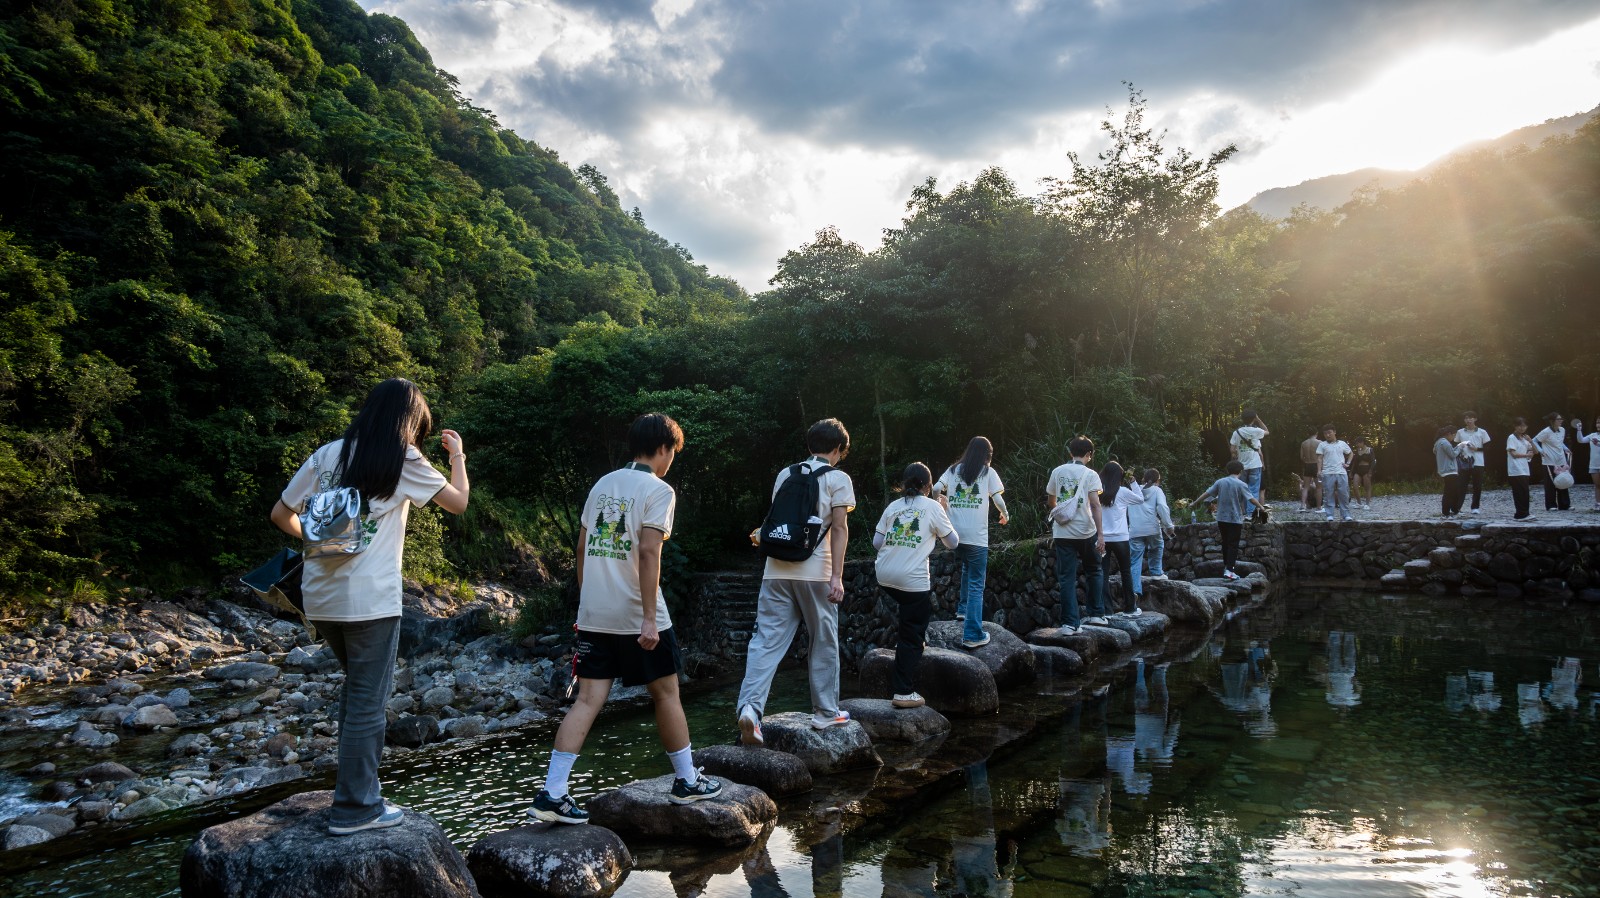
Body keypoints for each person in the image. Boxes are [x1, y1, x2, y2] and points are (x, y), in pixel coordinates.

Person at [271, 378, 470, 835]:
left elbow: (281, 514)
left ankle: (356, 793)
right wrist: (457, 456)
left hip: (319, 598)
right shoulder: (403, 457)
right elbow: (457, 503)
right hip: (370, 601)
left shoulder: (329, 454)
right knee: (367, 703)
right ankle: (357, 809)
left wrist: (322, 537)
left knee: (357, 694)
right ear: (410, 421)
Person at [531, 413, 721, 824]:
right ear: (665, 449)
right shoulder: (659, 490)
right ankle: (687, 781)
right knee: (666, 694)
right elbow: (650, 552)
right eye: (674, 453)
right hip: (638, 615)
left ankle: (553, 792)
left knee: (586, 700)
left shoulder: (603, 484)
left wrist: (588, 603)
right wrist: (649, 619)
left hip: (595, 613)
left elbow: (582, 549)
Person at [737, 419, 857, 746]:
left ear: (809, 445)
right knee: (823, 639)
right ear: (837, 449)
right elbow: (840, 529)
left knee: (765, 642)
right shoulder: (838, 478)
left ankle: (750, 708)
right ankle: (826, 712)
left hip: (776, 570)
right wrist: (836, 577)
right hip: (816, 573)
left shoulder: (785, 474)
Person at [872, 462, 960, 709]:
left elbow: (877, 542)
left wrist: (900, 542)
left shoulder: (893, 507)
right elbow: (953, 542)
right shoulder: (933, 507)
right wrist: (944, 511)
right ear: (927, 486)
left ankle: (911, 639)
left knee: (909, 616)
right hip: (912, 579)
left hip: (885, 575)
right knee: (912, 630)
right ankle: (903, 692)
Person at [934, 437, 1009, 649]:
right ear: (988, 455)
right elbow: (998, 499)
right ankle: (972, 634)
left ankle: (962, 610)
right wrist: (1005, 514)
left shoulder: (953, 470)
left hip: (955, 537)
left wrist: (942, 504)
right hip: (976, 538)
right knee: (977, 582)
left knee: (967, 567)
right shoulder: (988, 473)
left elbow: (935, 489)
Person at [1046, 436, 1104, 633]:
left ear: (1070, 453)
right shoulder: (1091, 474)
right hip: (1086, 530)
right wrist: (1101, 535)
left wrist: (1064, 513)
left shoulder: (1057, 471)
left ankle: (1070, 624)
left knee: (1066, 578)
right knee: (1094, 570)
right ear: (1089, 454)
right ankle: (1096, 614)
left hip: (1063, 532)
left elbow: (1051, 500)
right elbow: (1095, 504)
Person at [1193, 460, 1263, 580]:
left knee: (1225, 542)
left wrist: (1195, 502)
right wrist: (1261, 507)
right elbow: (1251, 499)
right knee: (1233, 545)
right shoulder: (1241, 484)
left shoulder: (1220, 482)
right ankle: (1230, 570)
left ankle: (1227, 567)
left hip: (1221, 518)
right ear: (1240, 471)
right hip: (1235, 518)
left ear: (1227, 470)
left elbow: (1207, 493)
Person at [1097, 462, 1146, 618]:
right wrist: (1133, 481)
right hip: (1121, 538)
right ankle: (1130, 608)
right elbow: (1140, 499)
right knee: (1126, 572)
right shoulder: (1123, 491)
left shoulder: (1098, 492)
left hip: (1102, 538)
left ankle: (1107, 610)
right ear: (1120, 476)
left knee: (1103, 574)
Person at [1128, 468, 1175, 585]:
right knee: (1157, 547)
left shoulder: (1134, 489)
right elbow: (1162, 508)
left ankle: (1134, 586)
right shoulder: (1157, 490)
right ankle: (1156, 572)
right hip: (1152, 528)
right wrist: (1169, 525)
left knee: (1135, 558)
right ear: (1157, 481)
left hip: (1135, 530)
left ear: (1143, 479)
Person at [1533, 412, 1573, 512]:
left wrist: (1566, 448)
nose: (1561, 421)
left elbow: (1560, 442)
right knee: (1550, 484)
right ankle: (1551, 505)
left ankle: (1564, 505)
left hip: (1561, 460)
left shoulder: (1562, 430)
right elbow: (1534, 440)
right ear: (1552, 421)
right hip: (1549, 461)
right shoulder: (1546, 431)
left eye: (1561, 419)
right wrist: (1540, 451)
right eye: (1558, 419)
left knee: (1563, 481)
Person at [1455, 412, 1492, 515]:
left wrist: (1477, 449)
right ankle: (1457, 508)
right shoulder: (1460, 432)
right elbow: (1456, 445)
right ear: (1464, 420)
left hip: (1478, 462)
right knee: (1461, 485)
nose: (1468, 420)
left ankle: (1475, 507)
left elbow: (1488, 448)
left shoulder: (1482, 432)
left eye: (1471, 418)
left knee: (1477, 485)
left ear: (1475, 419)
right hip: (1463, 462)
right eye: (1466, 418)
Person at [1228, 411, 1269, 505]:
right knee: (1254, 490)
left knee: (1242, 489)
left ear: (1242, 419)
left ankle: (1243, 512)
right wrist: (1258, 419)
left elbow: (1232, 450)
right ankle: (1250, 514)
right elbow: (1267, 431)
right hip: (1255, 464)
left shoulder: (1236, 432)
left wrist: (1237, 455)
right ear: (1254, 419)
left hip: (1241, 466)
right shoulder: (1256, 431)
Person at [1316, 425, 1353, 522]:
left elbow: (1350, 453)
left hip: (1341, 471)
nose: (1327, 435)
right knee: (1328, 493)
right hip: (1328, 472)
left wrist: (1348, 463)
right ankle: (1329, 515)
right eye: (1325, 433)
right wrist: (1319, 471)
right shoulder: (1322, 445)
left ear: (1334, 432)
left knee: (1344, 493)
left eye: (1329, 432)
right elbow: (1319, 458)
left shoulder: (1342, 443)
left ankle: (1346, 515)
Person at [1506, 417, 1537, 521]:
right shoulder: (1511, 438)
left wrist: (1531, 441)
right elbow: (1513, 454)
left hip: (1524, 469)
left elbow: (1535, 451)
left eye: (1524, 426)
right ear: (1515, 426)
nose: (1522, 428)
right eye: (1520, 425)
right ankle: (1520, 514)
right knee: (1519, 492)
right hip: (1515, 469)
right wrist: (1526, 455)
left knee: (1525, 492)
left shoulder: (1525, 438)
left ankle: (1525, 513)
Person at [1434, 425, 1463, 518]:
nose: (1454, 438)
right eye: (1454, 435)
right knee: (1450, 492)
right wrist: (1460, 447)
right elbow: (1453, 454)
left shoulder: (1438, 442)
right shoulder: (1444, 442)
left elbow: (1435, 451)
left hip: (1444, 470)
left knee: (1453, 491)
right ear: (1449, 434)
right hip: (1450, 470)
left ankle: (1453, 510)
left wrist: (1456, 447)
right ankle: (1446, 512)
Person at [1575, 416, 1600, 512]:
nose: (1598, 424)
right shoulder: (1592, 435)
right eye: (1598, 422)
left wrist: (1598, 443)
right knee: (1597, 485)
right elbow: (1580, 440)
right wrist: (1579, 430)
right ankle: (1598, 504)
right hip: (1594, 464)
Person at [1349, 437, 1376, 510]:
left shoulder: (1369, 450)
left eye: (1358, 443)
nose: (1357, 445)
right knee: (1355, 486)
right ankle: (1359, 503)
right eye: (1356, 443)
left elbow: (1373, 461)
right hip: (1358, 470)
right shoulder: (1358, 451)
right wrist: (1351, 472)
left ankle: (1367, 504)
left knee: (1367, 487)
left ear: (1362, 442)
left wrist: (1370, 471)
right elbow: (1354, 463)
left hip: (1367, 469)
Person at [1299, 428, 1323, 510]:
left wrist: (1307, 461)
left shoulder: (1304, 443)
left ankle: (1302, 506)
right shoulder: (1319, 442)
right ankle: (1319, 507)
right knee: (1319, 487)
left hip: (1307, 465)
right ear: (1316, 433)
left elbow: (1301, 457)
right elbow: (1323, 456)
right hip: (1316, 465)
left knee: (1305, 487)